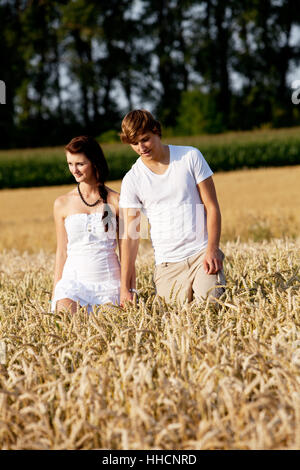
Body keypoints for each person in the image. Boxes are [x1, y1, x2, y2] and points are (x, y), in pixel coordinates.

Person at [119, 109, 225, 306]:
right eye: (134, 143)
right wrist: (125, 287)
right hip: (167, 265)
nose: (141, 147)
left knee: (210, 307)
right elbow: (130, 236)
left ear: (156, 131)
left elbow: (212, 207)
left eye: (145, 139)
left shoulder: (190, 156)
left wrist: (212, 249)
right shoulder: (132, 180)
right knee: (176, 320)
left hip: (201, 254)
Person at [51, 135, 122, 313]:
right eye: (70, 164)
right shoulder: (62, 203)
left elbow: (128, 251)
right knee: (66, 324)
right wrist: (55, 294)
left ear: (95, 162)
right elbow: (61, 252)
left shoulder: (117, 201)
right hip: (72, 285)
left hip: (109, 284)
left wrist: (129, 288)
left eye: (80, 164)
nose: (74, 170)